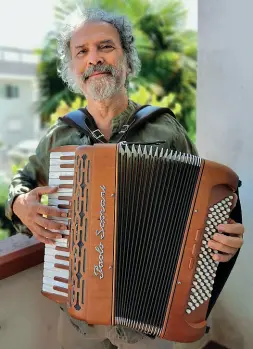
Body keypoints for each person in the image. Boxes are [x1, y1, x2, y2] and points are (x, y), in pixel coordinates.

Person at [5, 7, 244, 349]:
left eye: (106, 47)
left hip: (151, 319)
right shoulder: (59, 138)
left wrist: (224, 237)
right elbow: (22, 182)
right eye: (82, 52)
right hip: (78, 316)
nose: (94, 59)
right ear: (73, 70)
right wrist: (20, 204)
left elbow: (204, 207)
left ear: (127, 61)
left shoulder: (165, 128)